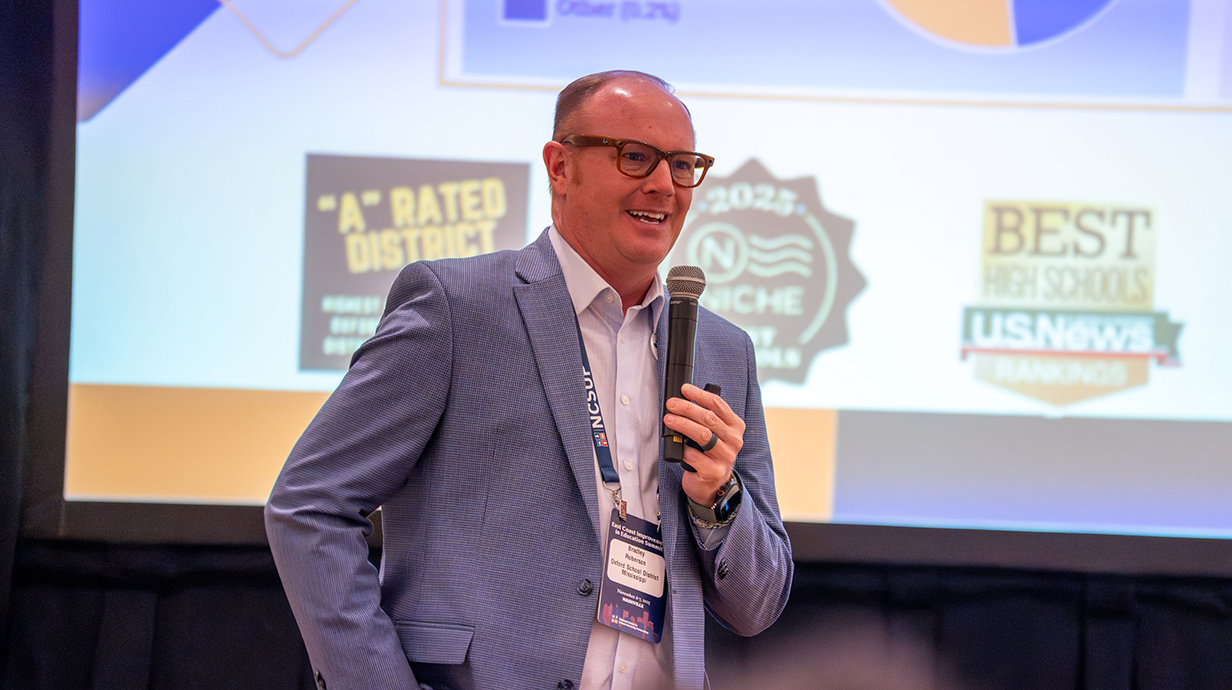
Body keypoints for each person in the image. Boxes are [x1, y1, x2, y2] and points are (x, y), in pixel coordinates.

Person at [266, 70, 793, 690]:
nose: (662, 184)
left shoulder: (723, 351)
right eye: (634, 157)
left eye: (682, 165)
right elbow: (310, 506)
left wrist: (720, 501)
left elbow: (756, 607)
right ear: (559, 166)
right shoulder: (457, 307)